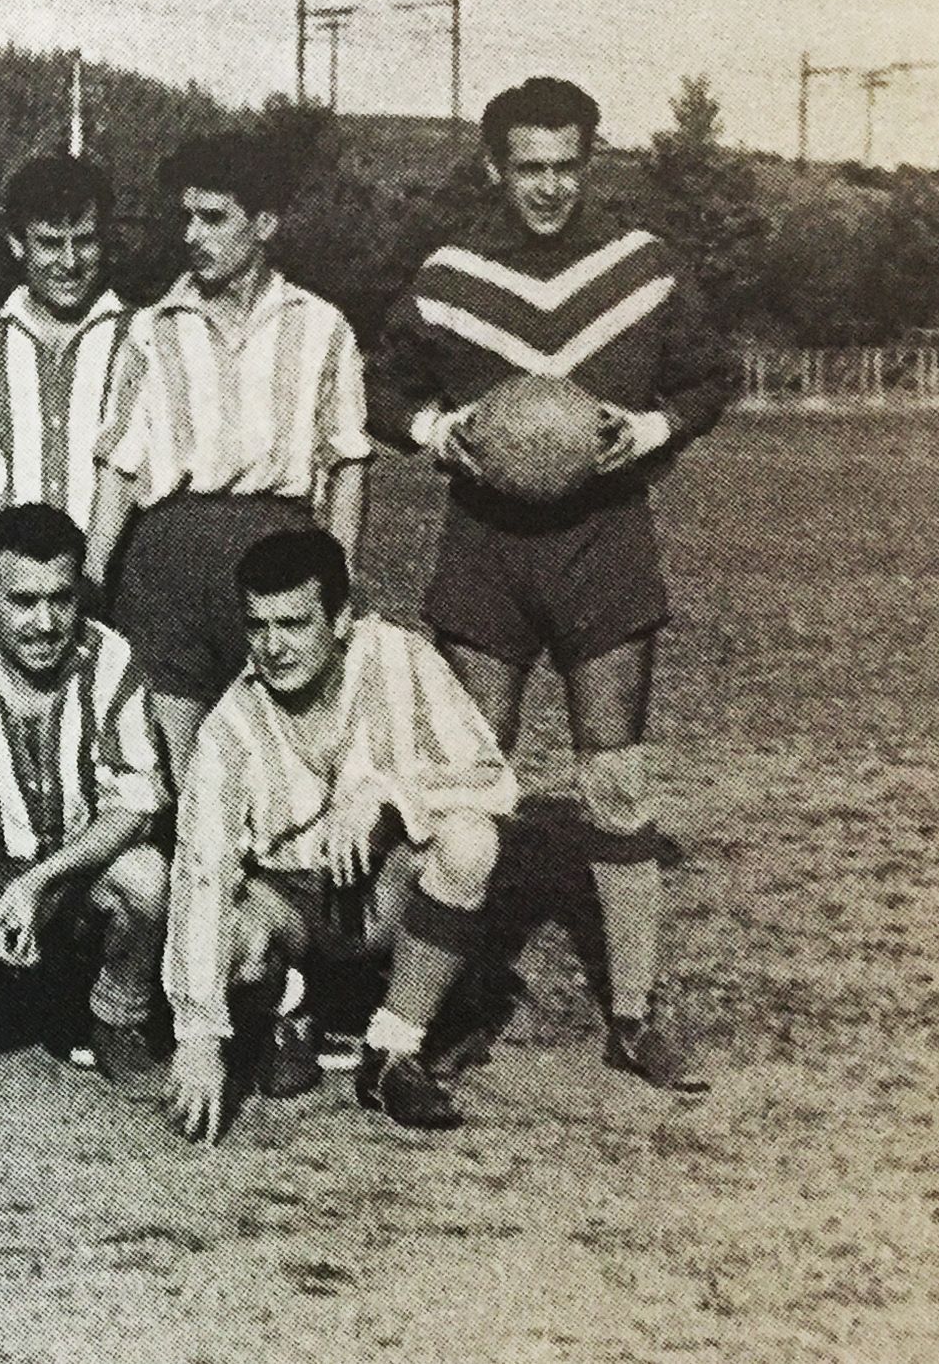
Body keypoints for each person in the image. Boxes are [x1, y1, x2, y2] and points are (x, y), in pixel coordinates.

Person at [372, 77, 733, 1090]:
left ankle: (632, 1013)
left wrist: (649, 430)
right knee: (469, 791)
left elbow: (709, 376)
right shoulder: (449, 276)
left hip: (603, 539)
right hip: (484, 547)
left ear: (591, 160)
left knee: (612, 777)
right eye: (527, 166)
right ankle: (450, 1004)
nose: (547, 186)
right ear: (495, 167)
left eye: (565, 164)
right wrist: (441, 431)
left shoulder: (640, 266)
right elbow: (382, 387)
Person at [162, 530, 514, 1141]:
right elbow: (202, 871)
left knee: (469, 842)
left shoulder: (400, 659)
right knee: (237, 939)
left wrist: (388, 792)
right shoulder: (229, 728)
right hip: (292, 906)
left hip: (385, 891)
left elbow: (496, 782)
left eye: (294, 624)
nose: (273, 647)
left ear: (342, 618)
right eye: (258, 626)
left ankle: (392, 1049)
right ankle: (292, 1007)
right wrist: (197, 1034)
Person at [84, 130, 371, 778]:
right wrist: (94, 580)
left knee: (280, 764)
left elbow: (348, 463)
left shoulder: (320, 326)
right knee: (174, 769)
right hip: (167, 563)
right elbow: (119, 465)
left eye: (212, 218)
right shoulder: (152, 328)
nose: (192, 234)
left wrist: (338, 580)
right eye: (184, 216)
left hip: (276, 553)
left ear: (263, 224)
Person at [0, 502, 169, 1084]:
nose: (46, 623)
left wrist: (39, 884)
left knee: (146, 876)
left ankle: (114, 1015)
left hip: (74, 873)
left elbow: (135, 806)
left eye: (61, 598)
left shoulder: (111, 658)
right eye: (23, 601)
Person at [0, 154, 136, 537]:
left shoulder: (139, 337)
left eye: (85, 241)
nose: (70, 262)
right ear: (17, 244)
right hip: (11, 579)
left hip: (110, 578)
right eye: (50, 243)